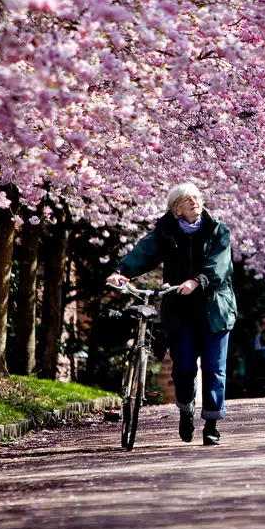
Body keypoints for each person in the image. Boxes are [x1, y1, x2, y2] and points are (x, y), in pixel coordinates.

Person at [107, 182, 236, 446]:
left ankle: (211, 425)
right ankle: (186, 411)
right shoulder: (165, 232)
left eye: (197, 197)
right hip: (180, 310)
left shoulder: (218, 231)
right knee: (184, 368)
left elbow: (220, 265)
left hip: (215, 308)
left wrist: (197, 280)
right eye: (187, 199)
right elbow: (143, 253)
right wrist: (122, 271)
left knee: (214, 369)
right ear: (176, 208)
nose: (194, 202)